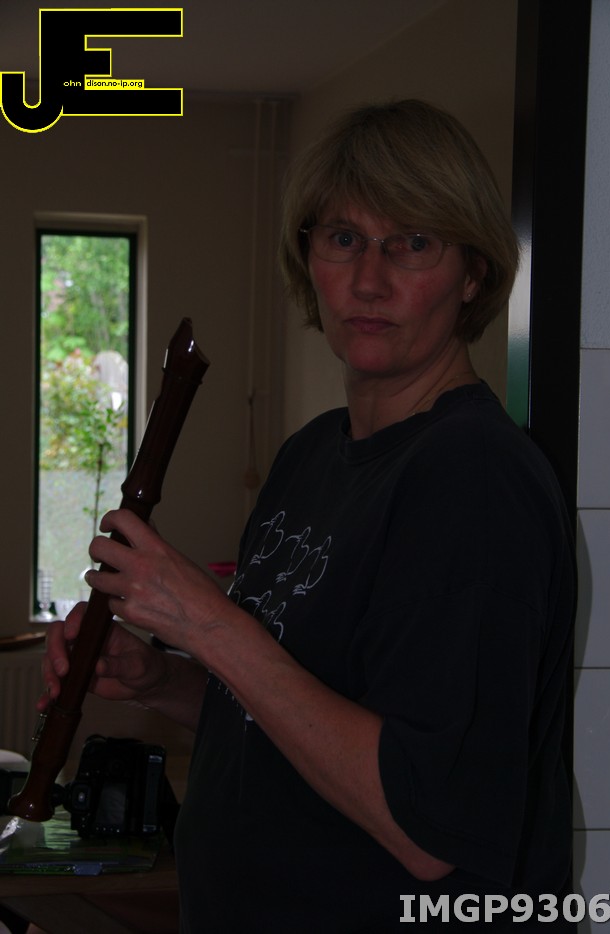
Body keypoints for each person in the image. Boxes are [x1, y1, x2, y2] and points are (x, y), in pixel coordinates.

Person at [41, 99, 576, 932]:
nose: (369, 280)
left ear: (472, 274)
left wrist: (209, 624)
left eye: (413, 243)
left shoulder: (474, 477)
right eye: (343, 238)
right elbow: (287, 716)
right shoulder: (311, 456)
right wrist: (164, 679)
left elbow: (427, 825)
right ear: (308, 259)